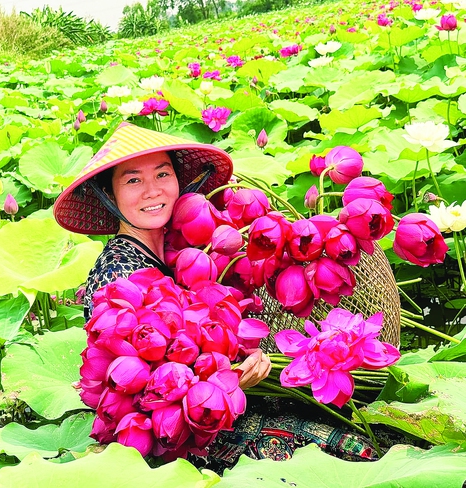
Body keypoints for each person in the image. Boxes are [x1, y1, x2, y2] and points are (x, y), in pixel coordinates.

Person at [54, 122, 382, 470]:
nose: (152, 190)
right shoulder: (118, 275)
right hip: (177, 437)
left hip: (215, 401)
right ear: (109, 195)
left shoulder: (178, 252)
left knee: (348, 441)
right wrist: (232, 377)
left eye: (163, 174)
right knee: (345, 450)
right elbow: (146, 387)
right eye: (133, 180)